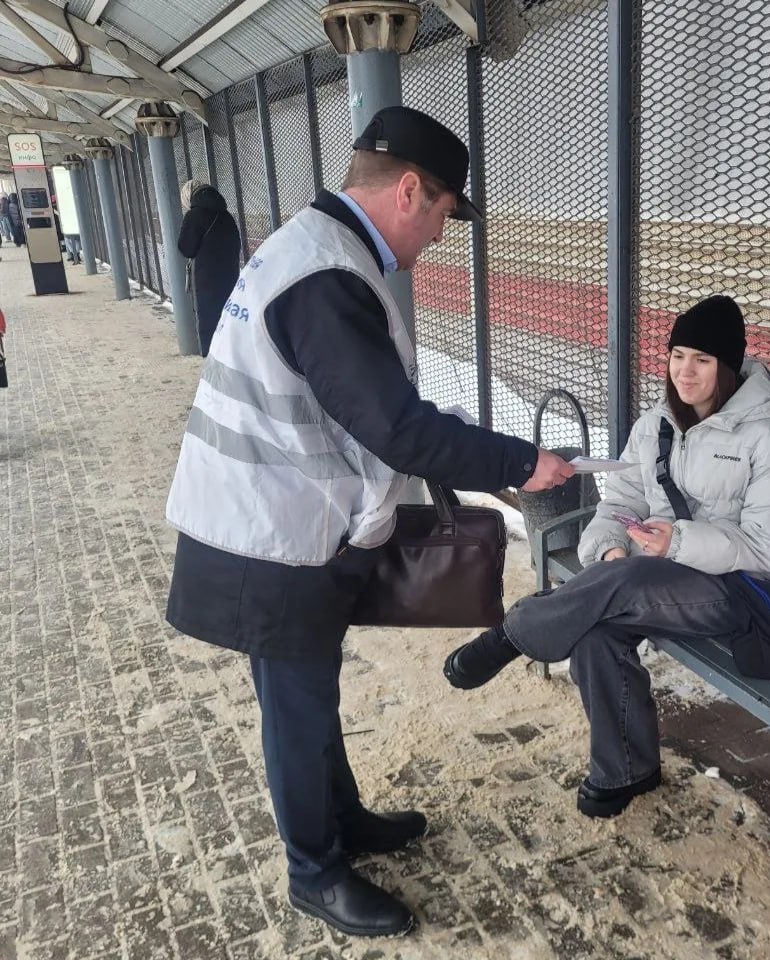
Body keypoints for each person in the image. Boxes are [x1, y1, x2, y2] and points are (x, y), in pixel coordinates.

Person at [163, 105, 574, 939]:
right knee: (295, 704)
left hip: (278, 518)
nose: (441, 234)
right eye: (444, 212)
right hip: (267, 533)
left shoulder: (319, 249)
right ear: (410, 191)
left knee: (311, 687)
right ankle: (313, 872)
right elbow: (395, 429)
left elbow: (361, 407)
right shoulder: (325, 276)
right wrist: (517, 463)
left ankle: (341, 819)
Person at [445, 295, 770, 817]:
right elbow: (620, 503)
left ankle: (513, 634)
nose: (685, 372)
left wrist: (677, 542)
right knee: (596, 628)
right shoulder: (655, 424)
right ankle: (625, 770)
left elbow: (769, 548)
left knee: (628, 580)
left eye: (702, 360)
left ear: (728, 367)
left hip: (743, 593)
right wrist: (610, 545)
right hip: (657, 576)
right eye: (677, 355)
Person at [177, 180, 241, 356]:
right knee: (227, 319)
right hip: (230, 277)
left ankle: (211, 360)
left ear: (189, 196)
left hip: (205, 280)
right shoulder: (227, 216)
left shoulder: (194, 216)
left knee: (208, 323)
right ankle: (230, 357)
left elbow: (186, 248)